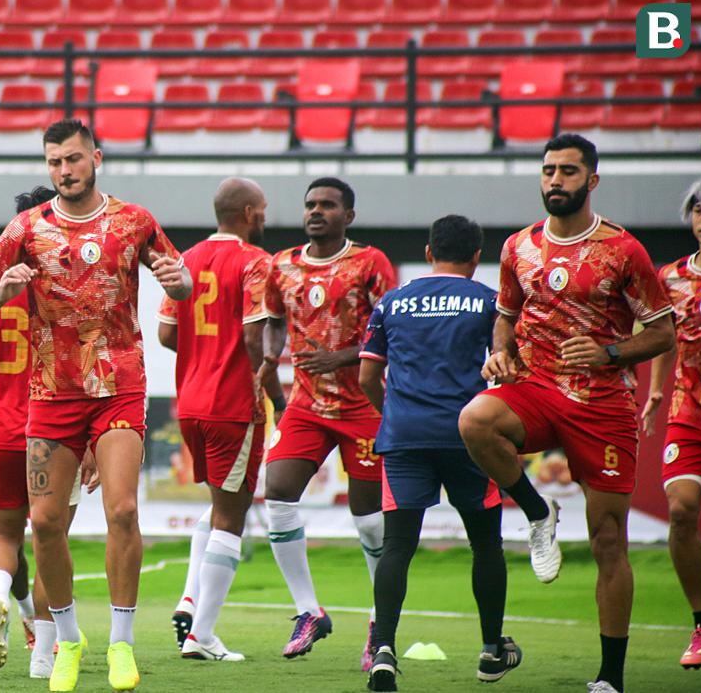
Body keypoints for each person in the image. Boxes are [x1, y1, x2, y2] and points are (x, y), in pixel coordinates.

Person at [0, 118, 192, 692]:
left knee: (121, 510)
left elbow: (181, 281)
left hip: (119, 383)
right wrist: (2, 295)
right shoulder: (24, 228)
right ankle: (66, 641)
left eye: (72, 159)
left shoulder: (133, 220)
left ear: (97, 157)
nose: (63, 171)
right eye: (53, 162)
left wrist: (178, 279)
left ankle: (121, 643)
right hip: (51, 392)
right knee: (43, 523)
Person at [458, 134, 675, 693]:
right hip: (533, 386)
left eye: (569, 172)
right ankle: (537, 513)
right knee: (474, 422)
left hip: (601, 404)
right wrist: (500, 352)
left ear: (592, 180)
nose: (556, 180)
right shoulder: (518, 247)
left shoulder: (623, 251)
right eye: (549, 170)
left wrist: (609, 353)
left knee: (607, 539)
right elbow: (506, 315)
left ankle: (610, 677)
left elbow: (662, 332)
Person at [357, 215, 519, 691]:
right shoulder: (490, 303)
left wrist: (395, 414)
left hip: (405, 436)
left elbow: (368, 375)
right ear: (476, 258)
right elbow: (509, 364)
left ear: (428, 253)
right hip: (469, 436)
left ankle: (383, 649)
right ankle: (491, 650)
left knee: (398, 546)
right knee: (486, 543)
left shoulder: (392, 301)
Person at [261, 177, 396, 670]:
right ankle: (308, 611)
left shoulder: (370, 263)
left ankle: (381, 623)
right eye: (311, 205)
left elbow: (392, 327)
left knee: (369, 521)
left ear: (348, 216)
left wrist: (342, 356)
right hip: (306, 406)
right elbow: (273, 319)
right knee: (277, 494)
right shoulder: (283, 265)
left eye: (328, 205)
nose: (317, 211)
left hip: (362, 404)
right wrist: (271, 356)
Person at [0, 185, 88, 679]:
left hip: (2, 434)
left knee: (2, 535)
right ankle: (42, 655)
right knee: (51, 543)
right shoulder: (74, 289)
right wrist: (92, 442)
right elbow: (84, 375)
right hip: (55, 431)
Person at [158, 177, 271, 662]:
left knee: (220, 505)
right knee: (232, 515)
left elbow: (166, 332)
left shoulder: (185, 259)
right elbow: (254, 338)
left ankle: (190, 601)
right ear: (247, 212)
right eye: (262, 209)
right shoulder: (255, 263)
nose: (266, 217)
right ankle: (202, 635)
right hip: (232, 404)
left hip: (192, 403)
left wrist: (203, 351)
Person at [640, 175, 701, 671]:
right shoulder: (670, 278)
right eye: (699, 209)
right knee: (682, 511)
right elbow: (664, 339)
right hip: (690, 414)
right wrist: (657, 391)